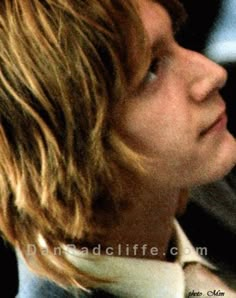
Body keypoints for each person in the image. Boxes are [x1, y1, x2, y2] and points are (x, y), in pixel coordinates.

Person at [0, 0, 236, 297]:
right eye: (151, 70)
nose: (213, 73)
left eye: (176, 38)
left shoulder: (189, 175)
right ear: (69, 142)